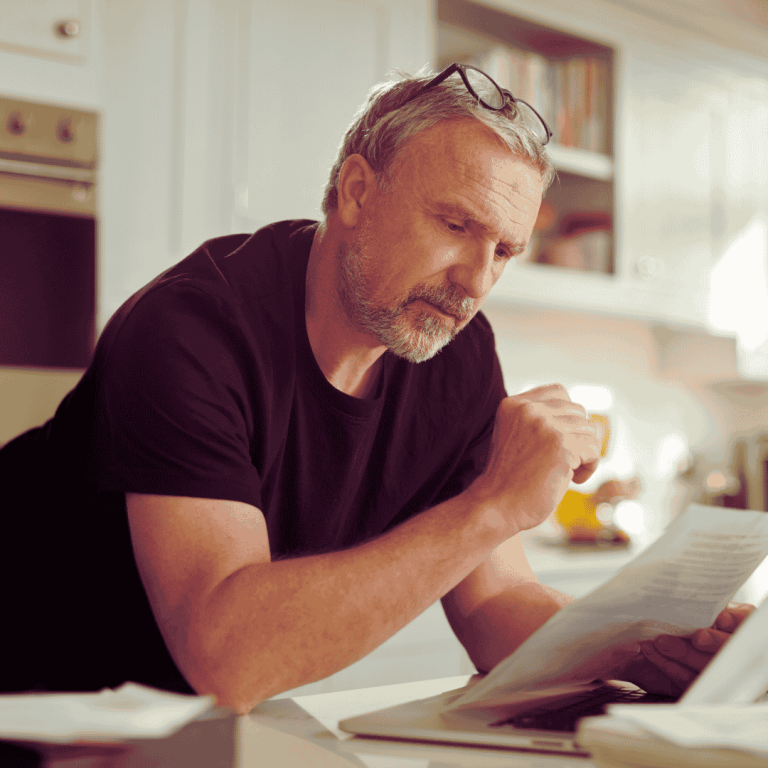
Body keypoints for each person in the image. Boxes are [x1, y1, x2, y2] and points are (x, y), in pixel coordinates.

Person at [0, 64, 750, 712]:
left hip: (176, 723)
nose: (475, 282)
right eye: (456, 224)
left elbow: (495, 606)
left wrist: (658, 650)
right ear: (358, 191)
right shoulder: (191, 330)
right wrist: (492, 504)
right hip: (35, 700)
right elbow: (227, 657)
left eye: (504, 250)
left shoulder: (455, 351)